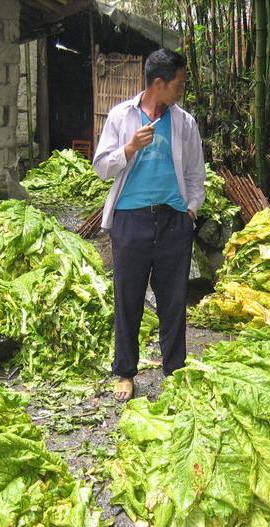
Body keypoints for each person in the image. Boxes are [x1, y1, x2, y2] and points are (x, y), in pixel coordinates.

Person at [93, 48, 206, 400]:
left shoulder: (184, 122)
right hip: (131, 219)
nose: (182, 89)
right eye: (179, 83)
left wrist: (191, 210)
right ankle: (125, 372)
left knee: (173, 300)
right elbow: (101, 167)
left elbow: (195, 173)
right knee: (128, 299)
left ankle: (174, 370)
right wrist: (129, 149)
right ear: (159, 83)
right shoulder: (121, 116)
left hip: (174, 221)